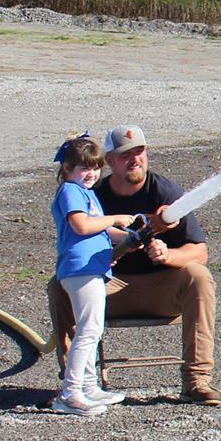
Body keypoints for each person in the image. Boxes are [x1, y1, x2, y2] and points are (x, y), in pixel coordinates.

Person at [46, 125, 221, 405]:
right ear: (110, 161)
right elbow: (83, 232)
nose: (135, 159)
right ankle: (74, 384)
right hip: (109, 287)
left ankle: (196, 381)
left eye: (139, 152)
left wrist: (167, 256)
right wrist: (125, 240)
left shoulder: (166, 192)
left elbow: (199, 251)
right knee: (59, 286)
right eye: (125, 154)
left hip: (160, 290)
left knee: (198, 276)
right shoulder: (92, 193)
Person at [50, 134, 138, 417]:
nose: (91, 174)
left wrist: (133, 234)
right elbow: (81, 225)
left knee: (93, 329)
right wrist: (114, 218)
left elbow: (100, 229)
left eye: (95, 168)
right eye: (84, 168)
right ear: (67, 169)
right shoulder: (70, 192)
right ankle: (71, 393)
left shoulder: (86, 193)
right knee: (88, 330)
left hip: (93, 270)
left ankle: (88, 386)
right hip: (81, 269)